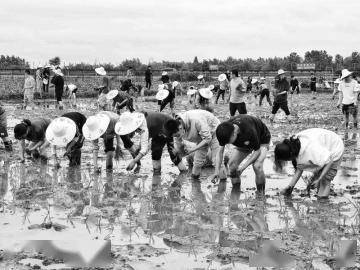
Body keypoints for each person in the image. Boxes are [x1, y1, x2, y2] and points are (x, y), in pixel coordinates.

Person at [274, 128, 344, 198]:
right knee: (319, 183)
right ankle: (320, 201)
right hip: (323, 147)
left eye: (286, 159)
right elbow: (299, 168)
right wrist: (290, 187)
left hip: (335, 147)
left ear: (290, 154)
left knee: (325, 180)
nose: (287, 161)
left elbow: (330, 160)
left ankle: (323, 205)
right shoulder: (294, 146)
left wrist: (319, 178)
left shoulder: (311, 150)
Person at [209, 115, 271, 194]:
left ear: (234, 133)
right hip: (244, 142)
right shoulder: (224, 130)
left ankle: (261, 194)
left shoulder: (248, 130)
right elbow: (220, 152)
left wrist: (242, 168)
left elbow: (257, 151)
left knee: (257, 165)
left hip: (262, 139)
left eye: (228, 142)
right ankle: (235, 192)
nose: (227, 144)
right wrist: (216, 171)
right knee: (232, 165)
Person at [115, 111, 187, 174]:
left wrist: (134, 161)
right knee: (156, 153)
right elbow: (145, 136)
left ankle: (184, 172)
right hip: (157, 130)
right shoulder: (135, 119)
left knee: (173, 154)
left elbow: (144, 149)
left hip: (168, 126)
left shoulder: (142, 124)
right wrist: (139, 147)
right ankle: (157, 175)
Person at [163, 110, 227, 180]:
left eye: (177, 135)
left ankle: (223, 184)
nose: (177, 137)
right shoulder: (176, 128)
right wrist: (178, 153)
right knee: (197, 162)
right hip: (201, 136)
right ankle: (195, 184)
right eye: (175, 136)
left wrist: (193, 149)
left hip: (215, 131)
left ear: (180, 127)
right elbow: (179, 145)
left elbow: (208, 139)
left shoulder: (196, 120)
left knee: (217, 161)